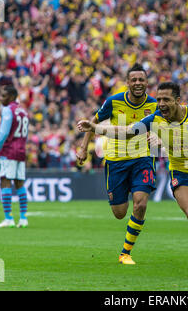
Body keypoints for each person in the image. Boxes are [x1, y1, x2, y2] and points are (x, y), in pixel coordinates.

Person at [77, 81, 188, 278]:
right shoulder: (154, 119)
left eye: (166, 100)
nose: (160, 103)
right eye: (159, 99)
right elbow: (127, 132)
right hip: (181, 174)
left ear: (177, 101)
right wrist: (95, 127)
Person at [76, 63, 158, 265]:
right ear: (128, 83)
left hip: (142, 159)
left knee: (141, 203)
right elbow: (92, 124)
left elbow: (164, 127)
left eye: (141, 80)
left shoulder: (156, 105)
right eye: (134, 80)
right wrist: (83, 148)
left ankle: (125, 253)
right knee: (120, 213)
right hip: (116, 162)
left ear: (146, 82)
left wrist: (157, 136)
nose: (138, 83)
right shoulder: (113, 102)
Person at [0, 84, 30, 228]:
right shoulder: (23, 111)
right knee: (20, 183)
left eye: (4, 96)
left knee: (5, 182)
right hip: (21, 151)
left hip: (8, 151)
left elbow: (3, 134)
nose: (1, 99)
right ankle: (24, 218)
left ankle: (9, 218)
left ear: (12, 97)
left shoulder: (7, 110)